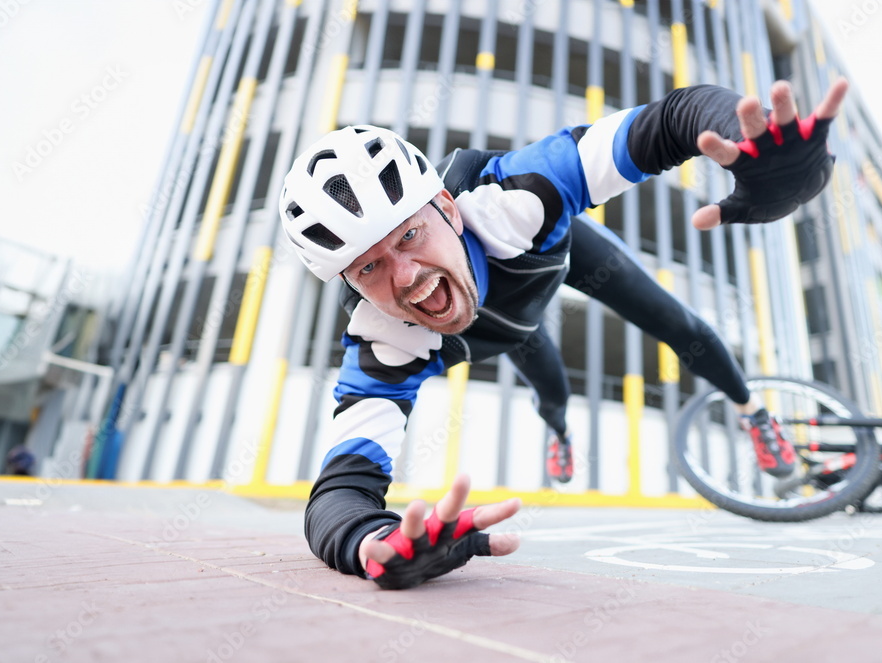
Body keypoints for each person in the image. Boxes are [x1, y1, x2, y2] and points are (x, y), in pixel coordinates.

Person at [278, 78, 849, 589]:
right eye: (368, 267)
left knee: (677, 323)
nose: (407, 279)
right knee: (551, 390)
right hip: (514, 331)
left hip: (558, 259)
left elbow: (670, 121)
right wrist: (372, 548)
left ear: (448, 209)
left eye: (408, 237)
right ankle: (560, 431)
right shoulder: (383, 339)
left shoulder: (515, 196)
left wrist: (754, 148)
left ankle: (754, 413)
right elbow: (339, 494)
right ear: (349, 280)